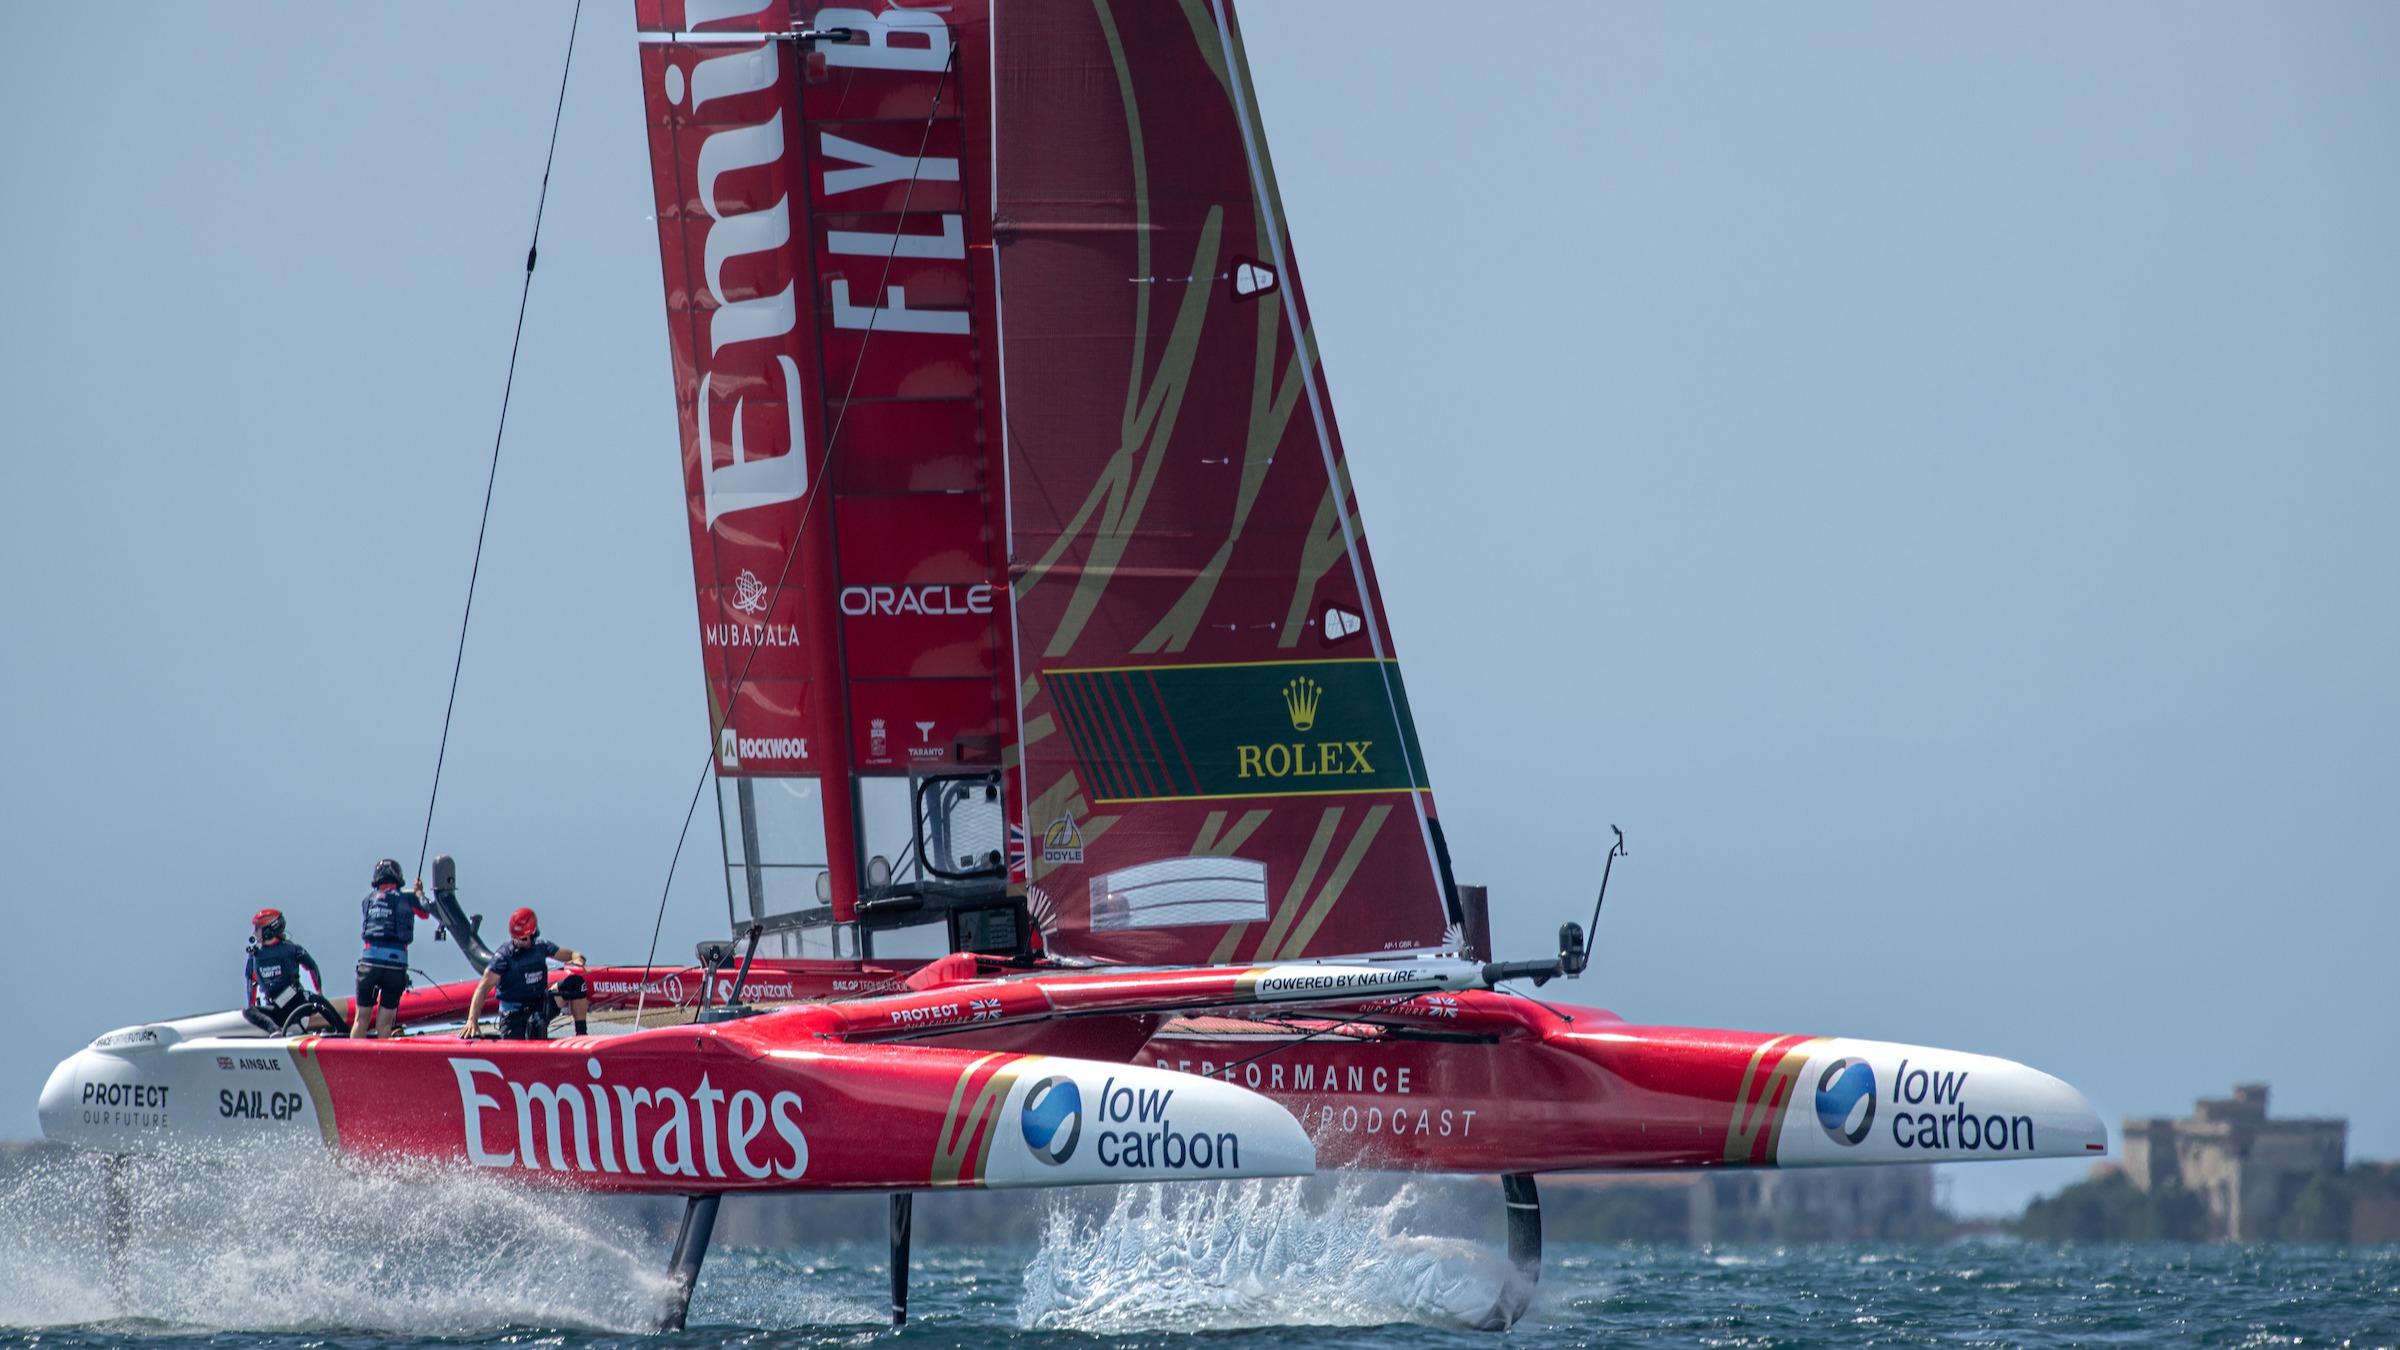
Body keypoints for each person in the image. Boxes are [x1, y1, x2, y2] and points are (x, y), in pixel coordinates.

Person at [462, 907, 588, 1041]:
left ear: (533, 934)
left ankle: (582, 1037)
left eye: (523, 939)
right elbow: (483, 988)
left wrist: (577, 958)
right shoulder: (503, 957)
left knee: (576, 984)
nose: (518, 942)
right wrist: (472, 1020)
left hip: (540, 1007)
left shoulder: (541, 947)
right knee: (524, 1034)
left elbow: (572, 954)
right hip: (514, 1016)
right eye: (515, 938)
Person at [353, 858, 432, 1039]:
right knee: (385, 1022)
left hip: (368, 963)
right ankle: (381, 1060)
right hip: (394, 967)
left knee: (361, 1018)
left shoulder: (367, 901)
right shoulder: (407, 898)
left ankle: (354, 1059)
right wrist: (419, 893)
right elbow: (425, 913)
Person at [242, 908, 328, 1033]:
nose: (254, 933)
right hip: (277, 1012)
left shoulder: (291, 949)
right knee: (248, 1011)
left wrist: (319, 993)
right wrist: (256, 1010)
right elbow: (251, 982)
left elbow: (312, 968)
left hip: (297, 1008)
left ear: (268, 930)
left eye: (257, 929)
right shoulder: (255, 956)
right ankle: (274, 1031)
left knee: (318, 1000)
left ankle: (346, 1032)